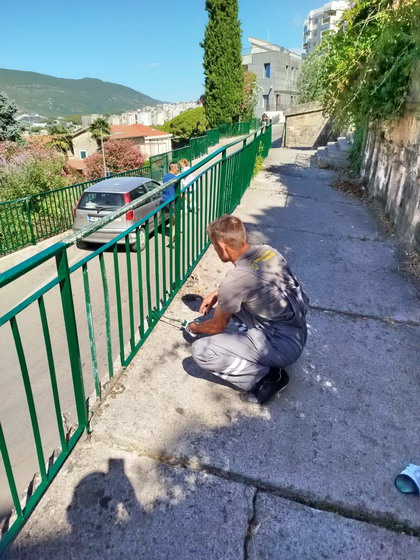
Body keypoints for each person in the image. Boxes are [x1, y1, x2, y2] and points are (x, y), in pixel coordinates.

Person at [186, 215, 309, 405]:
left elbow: (216, 327)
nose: (215, 250)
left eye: (214, 246)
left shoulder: (235, 280)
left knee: (202, 351)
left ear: (222, 246)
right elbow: (258, 284)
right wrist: (219, 293)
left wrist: (193, 327)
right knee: (233, 304)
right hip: (298, 332)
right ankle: (260, 350)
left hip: (281, 347)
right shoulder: (268, 251)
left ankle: (268, 378)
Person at [161, 161, 179, 243]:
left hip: (165, 200)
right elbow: (178, 190)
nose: (177, 169)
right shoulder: (175, 178)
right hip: (171, 201)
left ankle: (173, 235)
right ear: (173, 168)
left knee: (172, 219)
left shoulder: (164, 176)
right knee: (175, 219)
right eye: (177, 168)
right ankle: (172, 237)